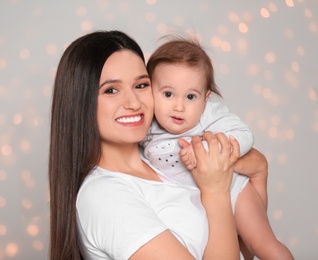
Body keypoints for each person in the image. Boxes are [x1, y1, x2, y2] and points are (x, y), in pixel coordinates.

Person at [49, 30, 269, 260]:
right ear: (80, 103)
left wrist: (259, 174)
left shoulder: (163, 162)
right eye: (111, 90)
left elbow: (240, 249)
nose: (134, 102)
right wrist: (216, 191)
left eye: (141, 85)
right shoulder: (105, 195)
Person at [143, 36, 293, 259]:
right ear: (150, 91)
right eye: (168, 94)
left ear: (206, 98)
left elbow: (245, 135)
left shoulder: (209, 114)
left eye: (191, 96)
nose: (179, 106)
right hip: (201, 201)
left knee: (264, 245)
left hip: (234, 190)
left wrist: (204, 149)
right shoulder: (147, 125)